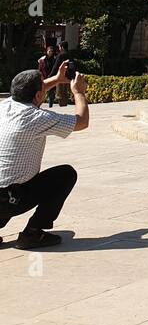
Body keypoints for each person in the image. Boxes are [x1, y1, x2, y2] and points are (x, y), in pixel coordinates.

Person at [0, 62, 88, 248]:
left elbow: (32, 93)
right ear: (39, 95)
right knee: (65, 174)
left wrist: (56, 80)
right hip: (10, 199)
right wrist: (79, 92)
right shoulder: (36, 118)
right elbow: (82, 122)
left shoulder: (5, 105)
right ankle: (32, 233)